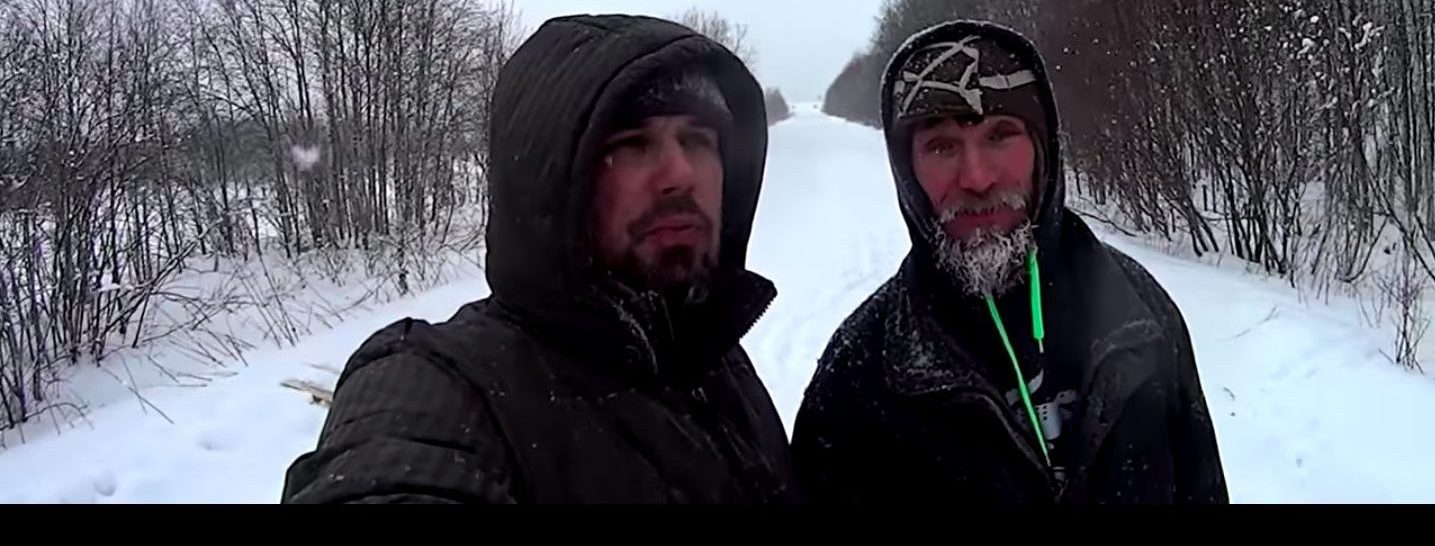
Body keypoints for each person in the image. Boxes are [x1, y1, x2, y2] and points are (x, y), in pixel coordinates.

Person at [282, 14, 798, 504]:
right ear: (552, 182)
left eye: (698, 140)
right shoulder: (444, 385)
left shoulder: (708, 351)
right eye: (633, 143)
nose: (681, 173)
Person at [791, 20, 1228, 504]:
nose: (977, 178)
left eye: (1000, 135)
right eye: (941, 146)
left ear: (1044, 150)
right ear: (906, 169)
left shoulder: (1139, 314)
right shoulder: (860, 375)